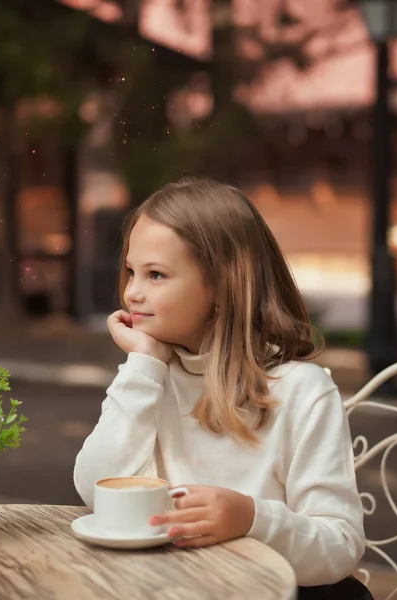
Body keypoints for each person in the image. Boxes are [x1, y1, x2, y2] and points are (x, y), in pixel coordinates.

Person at [74, 177, 365, 588]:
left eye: (156, 275)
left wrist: (251, 519)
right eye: (131, 272)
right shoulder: (151, 375)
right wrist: (141, 366)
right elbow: (94, 491)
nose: (133, 293)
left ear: (224, 284)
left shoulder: (301, 390)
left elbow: (339, 546)